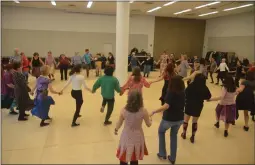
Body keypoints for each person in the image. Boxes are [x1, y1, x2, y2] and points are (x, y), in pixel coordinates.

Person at [150, 76, 185, 164]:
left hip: (169, 118)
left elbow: (166, 106)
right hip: (180, 118)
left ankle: (162, 153)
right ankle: (172, 158)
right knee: (174, 135)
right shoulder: (183, 92)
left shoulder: (171, 92)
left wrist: (154, 111)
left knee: (161, 131)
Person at [115, 90, 152, 165]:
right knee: (134, 158)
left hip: (126, 135)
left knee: (124, 156)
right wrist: (150, 119)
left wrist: (116, 129)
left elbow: (119, 122)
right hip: (138, 136)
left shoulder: (124, 110)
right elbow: (148, 124)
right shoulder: (143, 111)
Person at [181, 74, 211, 143]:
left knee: (186, 120)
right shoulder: (204, 87)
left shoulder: (191, 86)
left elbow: (185, 93)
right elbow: (208, 97)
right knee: (194, 122)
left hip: (189, 104)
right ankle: (193, 136)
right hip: (198, 105)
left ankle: (184, 133)